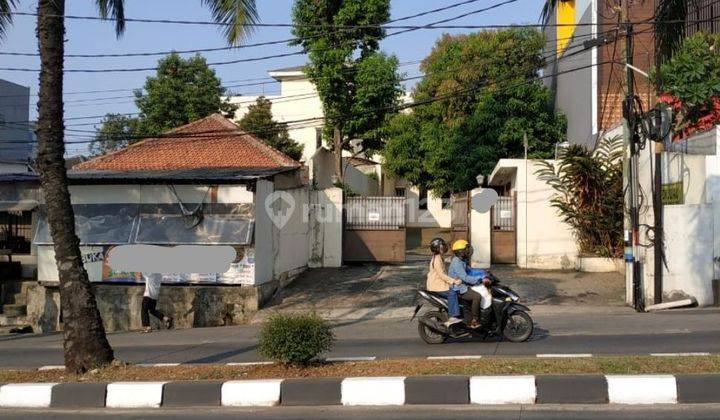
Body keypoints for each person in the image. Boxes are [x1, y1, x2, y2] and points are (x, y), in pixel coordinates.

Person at [448, 240, 489, 329]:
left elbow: (470, 270)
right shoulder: (457, 262)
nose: (468, 251)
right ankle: (475, 320)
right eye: (466, 249)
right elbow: (465, 277)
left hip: (463, 285)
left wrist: (484, 272)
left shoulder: (461, 260)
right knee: (477, 296)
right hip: (459, 288)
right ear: (460, 251)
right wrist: (479, 280)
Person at [425, 237, 463, 326]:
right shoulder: (437, 259)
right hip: (436, 286)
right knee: (452, 293)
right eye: (442, 246)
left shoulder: (438, 257)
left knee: (457, 291)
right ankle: (452, 316)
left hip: (439, 284)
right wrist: (453, 281)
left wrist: (453, 279)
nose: (444, 248)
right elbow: (441, 275)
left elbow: (444, 273)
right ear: (437, 248)